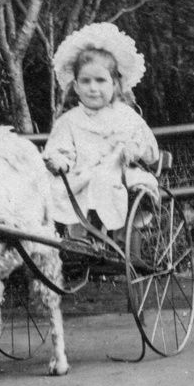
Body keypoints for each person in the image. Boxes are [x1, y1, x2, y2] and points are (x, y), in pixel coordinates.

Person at [43, 22, 159, 237]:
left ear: (114, 84)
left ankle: (127, 251)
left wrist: (134, 149)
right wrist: (60, 161)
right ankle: (81, 245)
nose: (93, 88)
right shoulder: (69, 121)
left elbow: (150, 151)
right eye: (85, 81)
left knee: (120, 191)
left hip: (121, 176)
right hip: (83, 179)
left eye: (100, 80)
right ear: (76, 86)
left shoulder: (125, 116)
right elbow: (62, 151)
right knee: (63, 190)